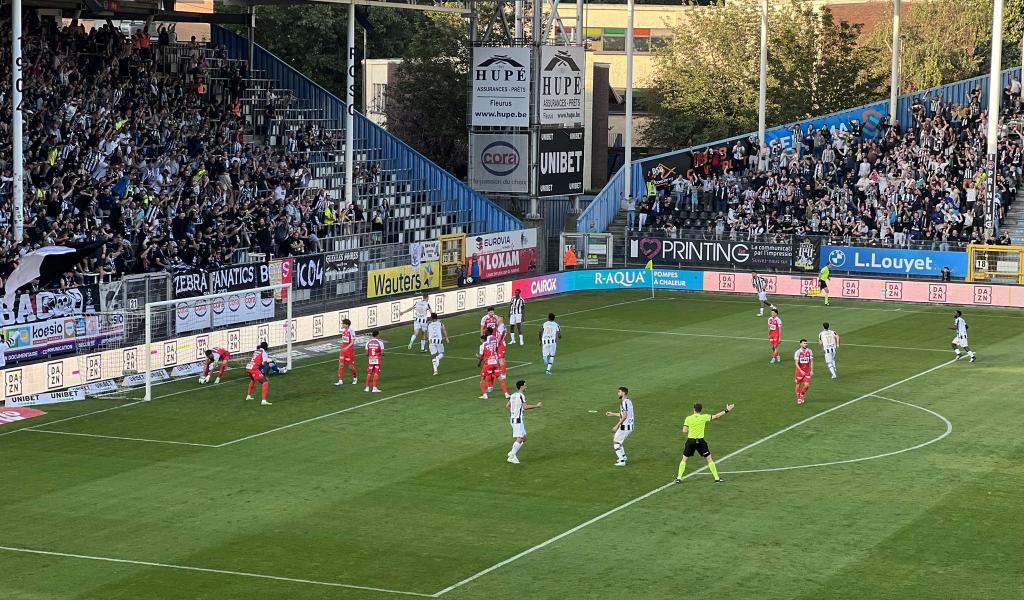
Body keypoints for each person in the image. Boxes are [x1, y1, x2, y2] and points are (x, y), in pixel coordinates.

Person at [675, 402, 734, 484]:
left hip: (691, 441)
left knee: (684, 459)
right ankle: (717, 478)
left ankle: (679, 478)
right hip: (700, 442)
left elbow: (684, 430)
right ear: (701, 410)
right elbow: (716, 416)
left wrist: (691, 430)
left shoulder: (688, 418)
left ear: (693, 409)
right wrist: (727, 410)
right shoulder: (704, 417)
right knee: (709, 459)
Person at [506, 380, 542, 464]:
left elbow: (507, 406)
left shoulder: (513, 395)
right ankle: (511, 457)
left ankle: (512, 452)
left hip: (514, 419)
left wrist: (513, 413)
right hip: (517, 420)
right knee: (520, 438)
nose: (526, 387)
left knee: (524, 438)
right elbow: (525, 407)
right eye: (525, 385)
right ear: (521, 386)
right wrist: (537, 406)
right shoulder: (521, 395)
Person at [605, 386, 635, 467]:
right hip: (630, 426)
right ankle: (624, 457)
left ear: (623, 393)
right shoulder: (628, 401)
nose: (618, 393)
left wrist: (616, 426)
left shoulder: (624, 402)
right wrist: (612, 414)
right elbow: (624, 414)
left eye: (619, 392)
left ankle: (622, 461)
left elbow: (624, 416)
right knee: (619, 441)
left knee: (616, 442)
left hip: (625, 426)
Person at [477, 329, 508, 399]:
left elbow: (481, 356)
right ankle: (506, 394)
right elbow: (496, 349)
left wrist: (478, 360)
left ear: (482, 339)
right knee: (500, 379)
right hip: (495, 362)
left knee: (482, 379)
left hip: (488, 364)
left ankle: (485, 395)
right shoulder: (494, 341)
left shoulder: (483, 345)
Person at [244, 342, 272, 406]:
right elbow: (264, 363)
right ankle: (264, 401)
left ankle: (248, 396)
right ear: (265, 347)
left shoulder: (256, 351)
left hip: (248, 367)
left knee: (253, 380)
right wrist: (265, 375)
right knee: (265, 382)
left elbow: (256, 360)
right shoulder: (264, 353)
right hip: (253, 369)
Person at [335, 318, 358, 386]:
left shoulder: (351, 331)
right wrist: (342, 347)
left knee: (350, 367)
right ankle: (340, 380)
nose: (342, 325)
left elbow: (353, 342)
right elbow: (344, 341)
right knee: (341, 364)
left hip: (349, 351)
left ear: (347, 325)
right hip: (343, 351)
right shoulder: (343, 331)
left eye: (343, 324)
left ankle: (355, 377)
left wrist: (346, 348)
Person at [794, 339, 814, 404]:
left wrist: (811, 370)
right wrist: (800, 370)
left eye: (806, 343)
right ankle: (798, 398)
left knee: (807, 385)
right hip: (799, 372)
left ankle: (802, 395)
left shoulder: (809, 351)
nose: (806, 344)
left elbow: (811, 361)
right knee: (798, 385)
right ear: (801, 344)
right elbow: (796, 363)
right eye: (804, 343)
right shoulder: (797, 352)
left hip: (807, 371)